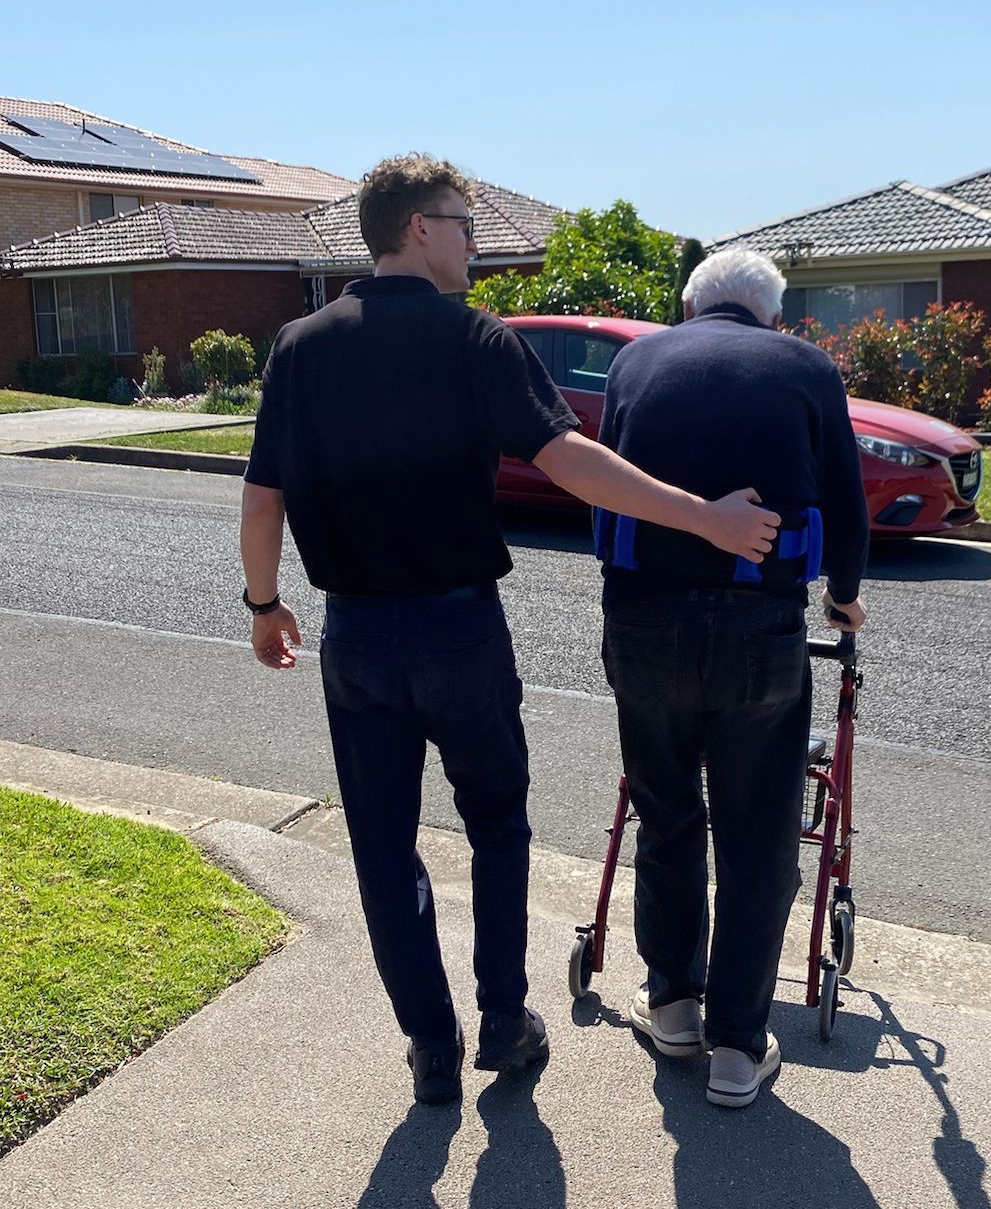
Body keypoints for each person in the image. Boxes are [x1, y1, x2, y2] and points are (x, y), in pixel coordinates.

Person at [239, 155, 780, 1108]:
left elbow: (263, 489)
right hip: (458, 635)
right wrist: (706, 519)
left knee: (383, 846)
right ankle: (502, 1021)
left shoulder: (300, 345)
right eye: (462, 224)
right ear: (415, 228)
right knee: (496, 825)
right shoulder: (474, 340)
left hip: (356, 640)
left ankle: (430, 1044)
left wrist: (263, 602)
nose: (475, 246)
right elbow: (572, 461)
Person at [595, 246, 869, 1109]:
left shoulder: (634, 361)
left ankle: (673, 1002)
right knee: (756, 837)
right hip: (758, 629)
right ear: (770, 316)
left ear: (689, 306)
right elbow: (849, 509)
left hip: (644, 626)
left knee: (667, 813)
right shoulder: (806, 367)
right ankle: (739, 1050)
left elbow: (611, 481)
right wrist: (845, 601)